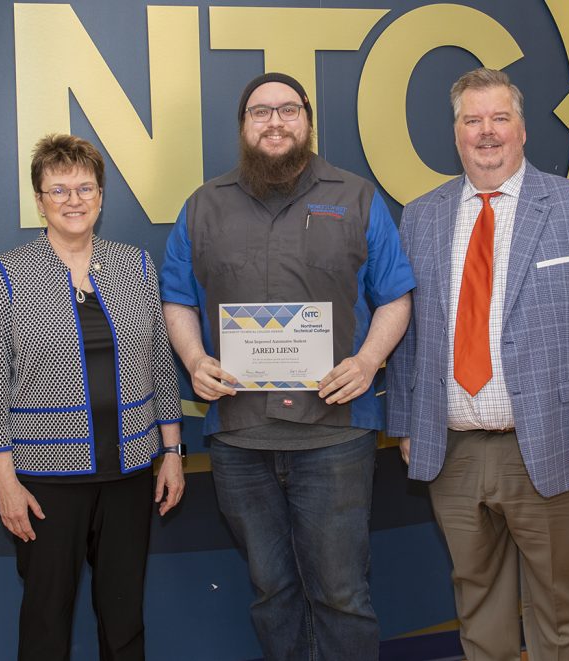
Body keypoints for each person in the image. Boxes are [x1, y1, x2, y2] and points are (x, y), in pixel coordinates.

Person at [159, 72, 415, 660]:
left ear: (307, 121)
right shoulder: (203, 206)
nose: (275, 121)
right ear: (243, 126)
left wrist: (370, 360)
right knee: (270, 591)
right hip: (239, 435)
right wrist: (193, 359)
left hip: (335, 433)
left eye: (288, 110)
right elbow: (176, 296)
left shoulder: (357, 197)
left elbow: (396, 294)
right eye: (260, 112)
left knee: (342, 593)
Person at [386, 68, 569, 659]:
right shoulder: (421, 216)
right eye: (473, 121)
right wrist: (404, 425)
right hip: (452, 448)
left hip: (548, 442)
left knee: (556, 598)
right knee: (477, 597)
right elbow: (405, 325)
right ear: (456, 135)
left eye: (499, 118)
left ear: (522, 129)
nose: (487, 132)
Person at [0, 134, 184, 661]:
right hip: (45, 485)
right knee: (45, 622)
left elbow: (160, 365)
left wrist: (172, 453)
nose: (73, 199)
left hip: (129, 476)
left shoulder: (134, 266)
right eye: (58, 189)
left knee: (125, 619)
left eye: (85, 187)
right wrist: (5, 485)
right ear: (39, 200)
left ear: (102, 197)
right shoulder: (8, 275)